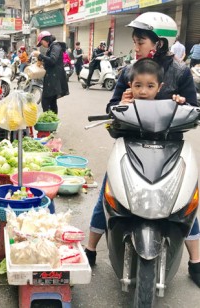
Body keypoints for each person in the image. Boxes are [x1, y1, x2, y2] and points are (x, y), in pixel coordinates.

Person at [84, 12, 200, 288]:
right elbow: (110, 109)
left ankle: (195, 262)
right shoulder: (128, 71)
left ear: (158, 44)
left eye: (140, 41)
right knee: (109, 194)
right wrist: (121, 101)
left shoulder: (181, 72)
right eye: (135, 43)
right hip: (131, 141)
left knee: (184, 200)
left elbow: (195, 110)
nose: (135, 47)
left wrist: (181, 104)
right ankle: (89, 249)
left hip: (169, 144)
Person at [32, 31, 69, 114]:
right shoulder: (53, 47)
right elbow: (51, 62)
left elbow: (52, 60)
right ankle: (52, 122)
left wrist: (40, 55)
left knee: (45, 101)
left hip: (53, 79)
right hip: (52, 78)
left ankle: (48, 121)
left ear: (46, 40)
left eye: (42, 43)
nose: (43, 45)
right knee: (52, 102)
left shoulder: (55, 47)